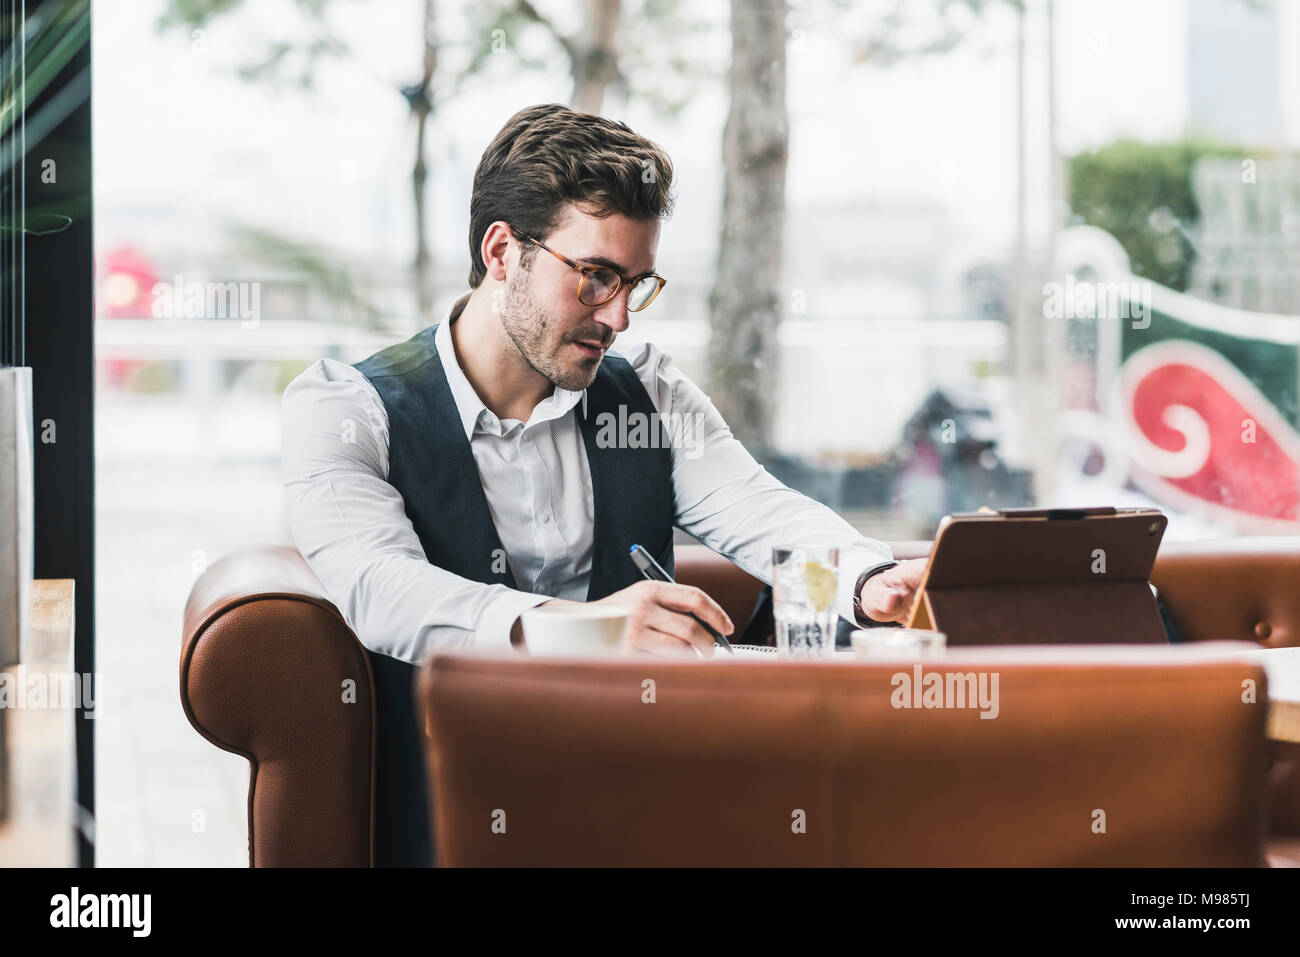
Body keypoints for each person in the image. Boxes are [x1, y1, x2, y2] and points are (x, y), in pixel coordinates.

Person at [281, 103, 925, 863]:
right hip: (453, 813)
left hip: (647, 803)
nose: (616, 315)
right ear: (501, 252)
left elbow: (762, 508)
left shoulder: (647, 394)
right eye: (594, 277)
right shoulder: (345, 407)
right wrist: (584, 631)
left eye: (637, 283)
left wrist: (870, 576)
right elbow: (382, 587)